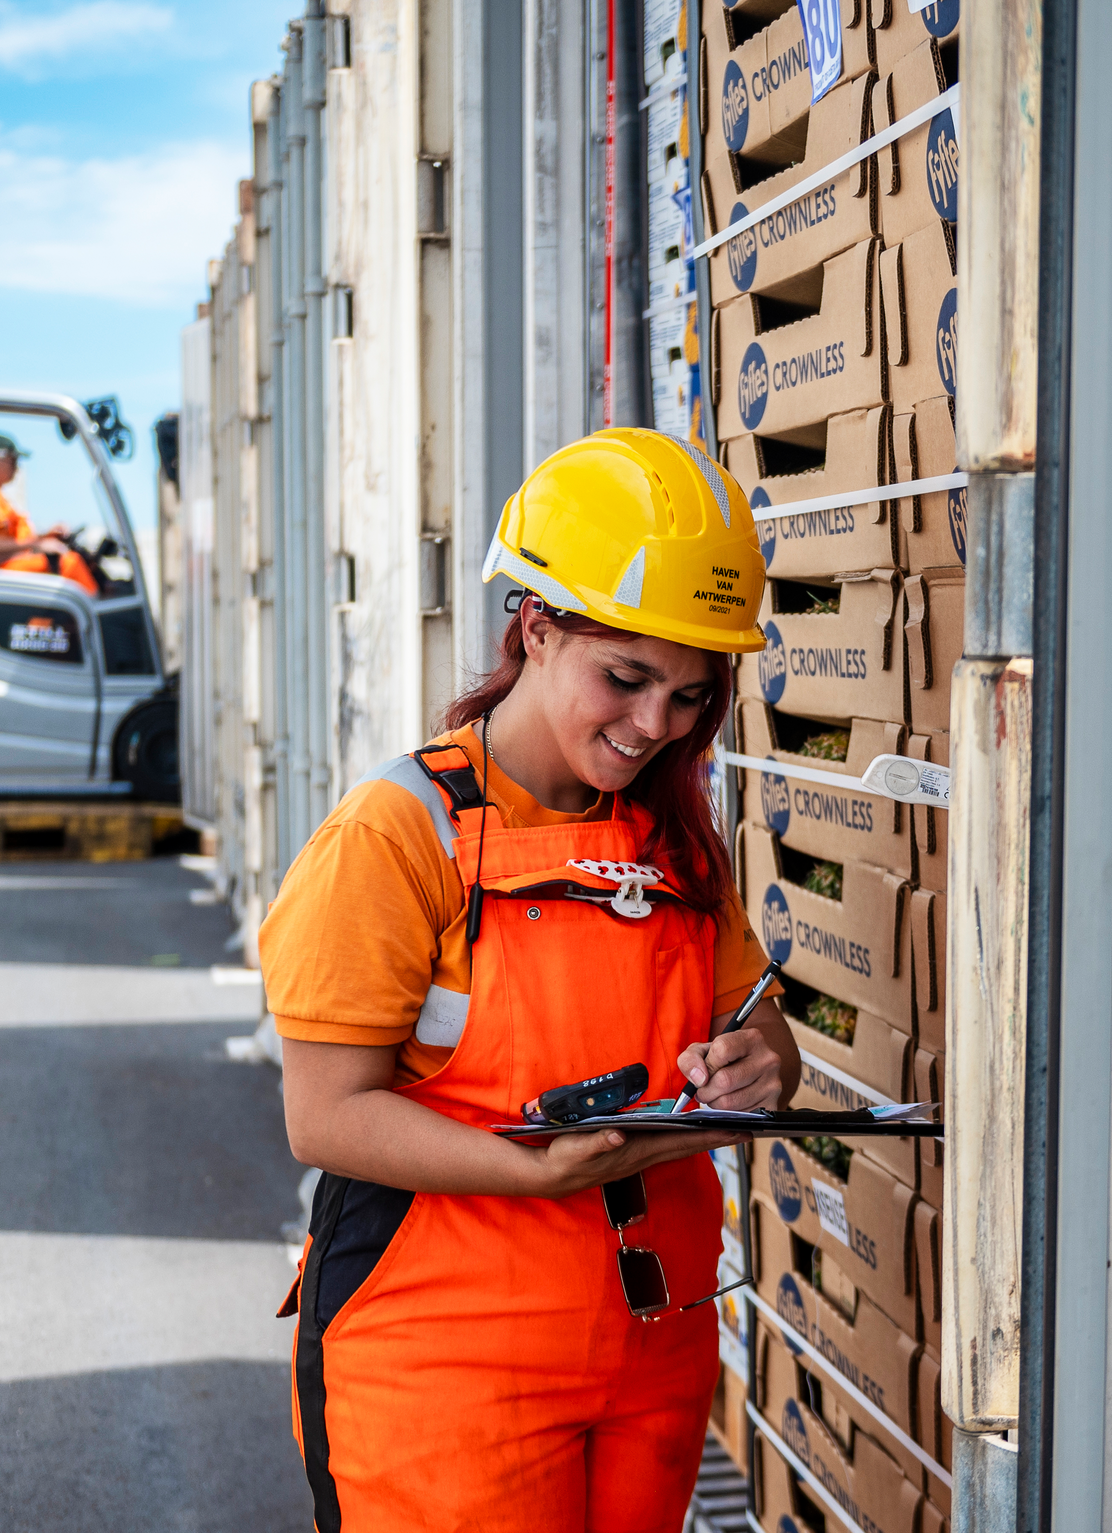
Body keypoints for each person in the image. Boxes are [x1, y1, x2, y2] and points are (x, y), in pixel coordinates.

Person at [260, 427, 801, 1533]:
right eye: (626, 678)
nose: (654, 726)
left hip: (653, 1350)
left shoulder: (672, 838)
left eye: (691, 696)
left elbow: (761, 1029)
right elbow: (325, 1116)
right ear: (537, 627)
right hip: (440, 1362)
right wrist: (535, 1174)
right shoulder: (396, 835)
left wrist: (762, 1066)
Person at [0, 432, 98, 596]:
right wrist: (36, 544)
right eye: (13, 461)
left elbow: (9, 538)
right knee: (70, 563)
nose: (17, 468)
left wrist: (44, 538)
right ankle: (96, 609)